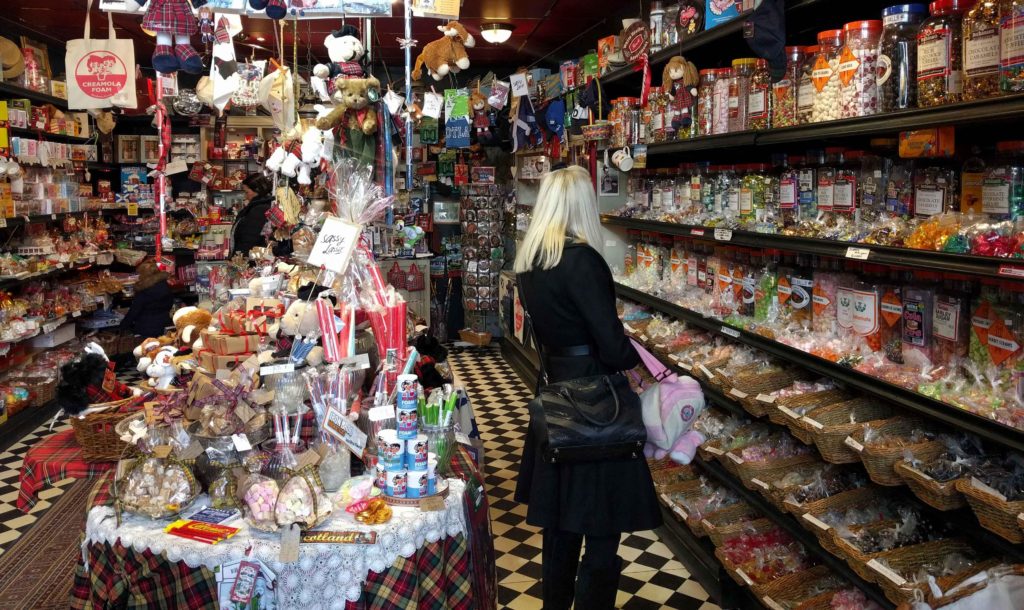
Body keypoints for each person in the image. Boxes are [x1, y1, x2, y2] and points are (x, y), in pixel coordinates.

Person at [513, 164, 661, 610]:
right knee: (602, 524)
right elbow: (612, 344)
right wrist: (644, 364)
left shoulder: (531, 263)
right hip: (599, 405)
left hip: (555, 396)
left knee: (558, 525)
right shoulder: (583, 261)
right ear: (583, 205)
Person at [121, 258, 173, 339]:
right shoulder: (165, 285)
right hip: (164, 325)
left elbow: (133, 312)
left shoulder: (144, 291)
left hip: (146, 329)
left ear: (144, 275)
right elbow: (170, 304)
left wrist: (122, 326)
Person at [232, 173, 273, 256]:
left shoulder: (259, 209)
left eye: (247, 192)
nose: (245, 196)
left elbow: (249, 239)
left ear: (257, 190)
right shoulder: (258, 206)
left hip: (250, 259)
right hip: (252, 256)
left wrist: (240, 259)